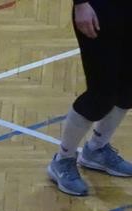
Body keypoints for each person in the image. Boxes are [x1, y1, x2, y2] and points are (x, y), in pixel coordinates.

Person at [47, 0, 132, 196]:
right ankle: (63, 160)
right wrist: (81, 4)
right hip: (99, 9)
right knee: (100, 95)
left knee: (128, 89)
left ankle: (96, 150)